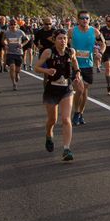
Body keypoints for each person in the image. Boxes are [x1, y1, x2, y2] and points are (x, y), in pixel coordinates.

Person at [34, 28, 82, 162]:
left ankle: (66, 149)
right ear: (55, 40)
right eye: (60, 38)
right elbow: (36, 68)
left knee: (66, 119)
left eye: (65, 38)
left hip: (66, 89)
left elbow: (75, 63)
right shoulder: (48, 52)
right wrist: (46, 70)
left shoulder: (70, 51)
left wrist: (77, 74)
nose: (63, 41)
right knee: (52, 120)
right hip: (51, 89)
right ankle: (49, 134)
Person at [3, 17, 30, 89]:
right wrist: (5, 45)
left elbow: (27, 39)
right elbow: (4, 40)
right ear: (9, 25)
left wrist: (22, 45)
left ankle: (17, 74)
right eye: (11, 24)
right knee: (12, 67)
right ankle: (14, 83)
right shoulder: (7, 32)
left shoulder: (20, 32)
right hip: (10, 52)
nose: (13, 25)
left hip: (18, 53)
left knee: (17, 70)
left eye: (14, 24)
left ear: (16, 24)